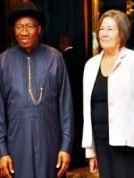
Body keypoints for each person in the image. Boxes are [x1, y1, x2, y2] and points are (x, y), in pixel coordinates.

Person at [0, 2, 74, 178]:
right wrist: (2, 151)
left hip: (50, 144)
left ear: (39, 28)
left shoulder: (55, 58)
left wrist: (65, 146)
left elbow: (66, 107)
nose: (24, 32)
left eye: (29, 26)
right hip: (16, 146)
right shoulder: (3, 62)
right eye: (19, 27)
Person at [81, 9, 134, 178]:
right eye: (102, 29)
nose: (104, 33)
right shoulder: (91, 65)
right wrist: (90, 150)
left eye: (110, 29)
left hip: (129, 144)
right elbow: (87, 109)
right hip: (101, 141)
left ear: (122, 33)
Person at [59, 34, 86, 169]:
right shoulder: (83, 56)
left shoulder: (61, 59)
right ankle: (81, 158)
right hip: (81, 99)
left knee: (70, 128)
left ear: (63, 43)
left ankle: (72, 159)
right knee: (81, 127)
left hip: (68, 100)